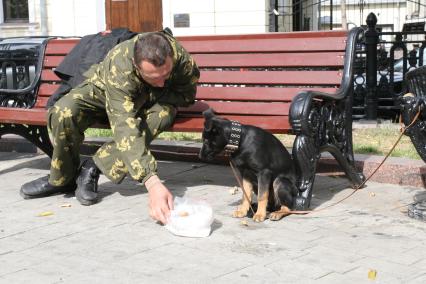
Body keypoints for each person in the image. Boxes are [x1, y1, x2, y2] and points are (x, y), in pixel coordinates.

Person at [20, 29, 200, 224]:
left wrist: (152, 95)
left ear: (171, 58)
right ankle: (62, 178)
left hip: (152, 101)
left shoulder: (181, 60)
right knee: (64, 111)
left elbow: (186, 95)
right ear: (135, 65)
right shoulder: (120, 64)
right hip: (107, 92)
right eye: (153, 77)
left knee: (163, 115)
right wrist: (153, 182)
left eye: (165, 74)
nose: (161, 81)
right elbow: (124, 124)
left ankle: (95, 165)